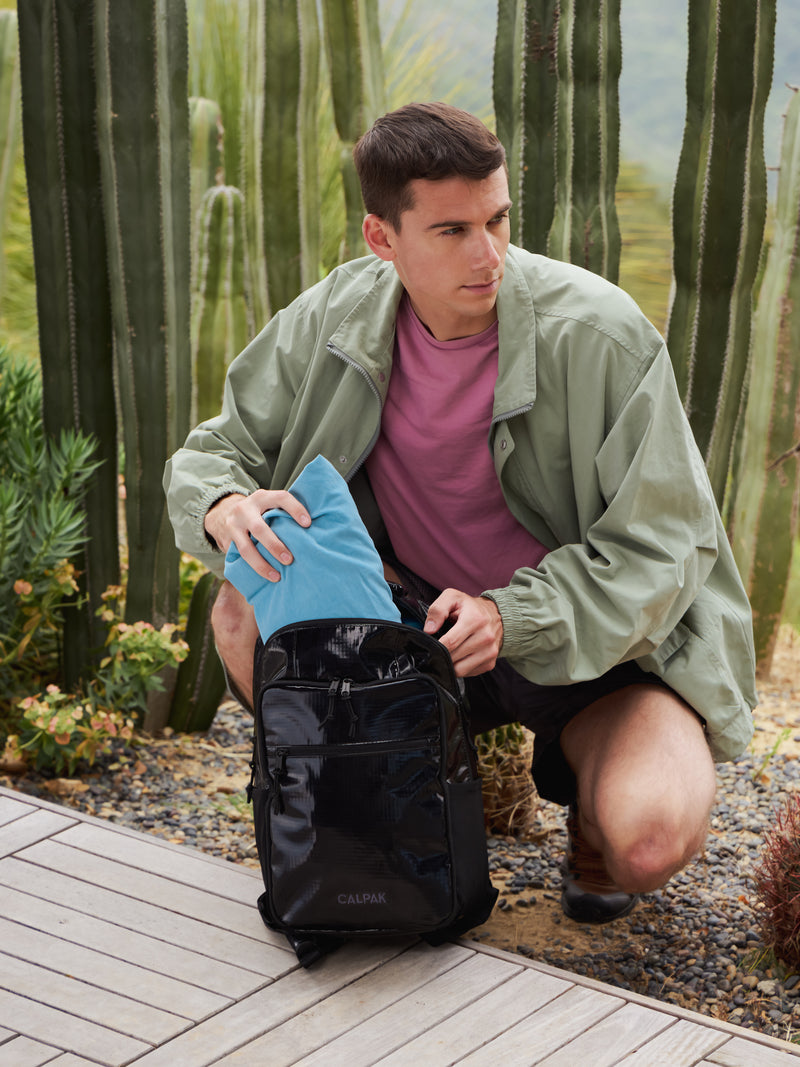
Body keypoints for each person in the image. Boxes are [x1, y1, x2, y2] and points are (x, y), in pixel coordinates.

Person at [164, 101, 756, 925]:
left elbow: (664, 547)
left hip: (596, 645)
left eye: (498, 219)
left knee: (648, 839)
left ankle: (587, 817)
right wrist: (225, 504)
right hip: (411, 629)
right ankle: (391, 802)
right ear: (383, 239)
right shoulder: (335, 316)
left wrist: (511, 616)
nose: (489, 254)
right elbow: (212, 450)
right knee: (242, 604)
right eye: (451, 231)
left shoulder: (602, 334)